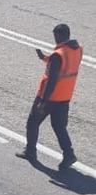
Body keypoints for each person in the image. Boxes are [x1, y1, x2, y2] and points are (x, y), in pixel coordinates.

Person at [16, 24, 82, 170]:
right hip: (64, 97)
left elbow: (52, 79)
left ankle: (30, 152)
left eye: (55, 36)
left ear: (59, 36)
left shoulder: (58, 55)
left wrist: (43, 102)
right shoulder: (77, 50)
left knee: (33, 122)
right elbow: (65, 66)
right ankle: (69, 154)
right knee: (59, 127)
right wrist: (45, 58)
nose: (54, 39)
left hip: (50, 98)